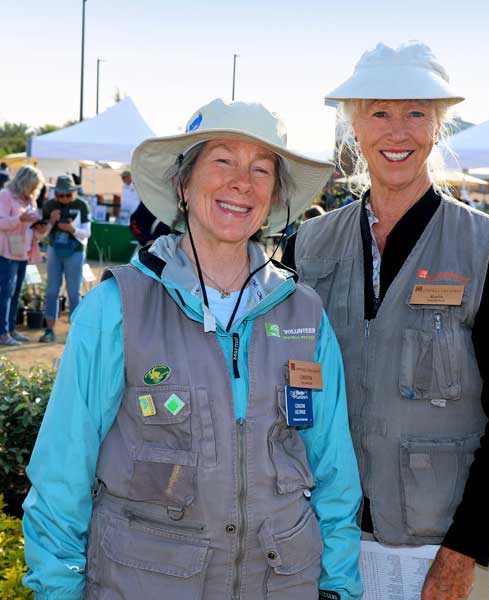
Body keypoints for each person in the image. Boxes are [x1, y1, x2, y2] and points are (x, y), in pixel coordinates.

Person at [23, 99, 363, 600]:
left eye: (261, 169)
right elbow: (62, 472)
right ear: (183, 186)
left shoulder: (304, 314)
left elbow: (335, 471)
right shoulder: (118, 308)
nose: (241, 182)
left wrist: (339, 588)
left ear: (273, 199)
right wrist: (57, 590)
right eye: (223, 160)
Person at [283, 42, 489, 600]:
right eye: (379, 113)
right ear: (354, 127)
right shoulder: (307, 246)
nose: (396, 132)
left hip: (439, 547)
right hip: (326, 538)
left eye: (415, 113)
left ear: (437, 128)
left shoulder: (486, 249)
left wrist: (466, 549)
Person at [38, 174, 91, 343]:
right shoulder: (50, 205)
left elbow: (87, 233)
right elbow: (41, 233)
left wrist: (71, 229)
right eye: (61, 195)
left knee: (74, 292)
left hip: (75, 251)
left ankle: (75, 332)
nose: (65, 199)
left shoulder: (82, 205)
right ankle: (49, 330)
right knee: (52, 290)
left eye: (68, 195)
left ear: (74, 192)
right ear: (56, 194)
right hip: (54, 249)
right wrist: (51, 221)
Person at [0, 165, 45, 345]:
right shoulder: (5, 195)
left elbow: (31, 229)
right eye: (33, 185)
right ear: (25, 182)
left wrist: (41, 229)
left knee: (16, 293)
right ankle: (3, 333)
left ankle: (11, 329)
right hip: (7, 252)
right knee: (5, 293)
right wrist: (20, 219)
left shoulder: (30, 200)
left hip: (24, 252)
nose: (35, 190)